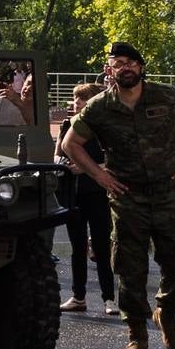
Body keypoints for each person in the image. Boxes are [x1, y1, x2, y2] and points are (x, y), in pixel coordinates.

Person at [61, 41, 175, 349]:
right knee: (130, 269)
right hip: (128, 198)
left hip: (169, 193)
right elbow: (71, 143)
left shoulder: (167, 96)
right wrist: (99, 176)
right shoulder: (100, 106)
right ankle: (137, 336)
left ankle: (166, 311)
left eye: (130, 62)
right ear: (109, 70)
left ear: (140, 67)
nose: (124, 67)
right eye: (117, 63)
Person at [56, 83, 117, 315]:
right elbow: (58, 155)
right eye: (75, 98)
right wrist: (64, 166)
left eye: (82, 98)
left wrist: (86, 167)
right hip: (74, 193)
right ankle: (78, 296)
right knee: (77, 247)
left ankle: (109, 298)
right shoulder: (67, 125)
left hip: (98, 193)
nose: (76, 102)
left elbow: (112, 163)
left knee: (101, 246)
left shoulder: (104, 129)